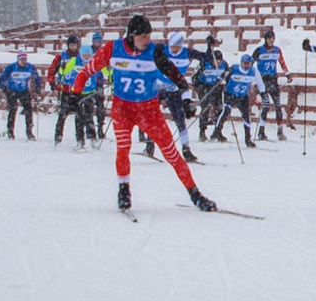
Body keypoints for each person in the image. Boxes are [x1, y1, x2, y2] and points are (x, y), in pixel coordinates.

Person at [68, 15, 214, 214]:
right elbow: (85, 72)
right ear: (132, 36)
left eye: (149, 36)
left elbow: (179, 79)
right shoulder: (113, 48)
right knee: (123, 148)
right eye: (143, 37)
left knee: (170, 152)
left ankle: (195, 194)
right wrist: (75, 94)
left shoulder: (154, 53)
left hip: (148, 111)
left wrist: (187, 99)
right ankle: (124, 190)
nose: (146, 41)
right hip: (122, 109)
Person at [162, 30, 201, 160]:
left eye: (177, 46)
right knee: (152, 118)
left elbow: (204, 57)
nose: (174, 49)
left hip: (176, 90)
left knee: (181, 121)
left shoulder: (186, 53)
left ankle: (186, 149)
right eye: (172, 46)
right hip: (159, 87)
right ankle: (149, 145)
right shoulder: (162, 51)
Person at [51, 34, 89, 149]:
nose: (73, 47)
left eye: (75, 45)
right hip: (66, 90)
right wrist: (52, 82)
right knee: (62, 116)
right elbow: (52, 69)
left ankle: (80, 140)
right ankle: (57, 138)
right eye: (71, 45)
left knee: (80, 117)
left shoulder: (80, 57)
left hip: (77, 90)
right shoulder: (61, 56)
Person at [224, 44, 262, 146]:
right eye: (244, 63)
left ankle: (248, 139)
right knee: (225, 112)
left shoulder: (253, 71)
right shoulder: (234, 69)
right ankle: (217, 132)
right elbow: (225, 77)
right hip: (231, 94)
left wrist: (262, 94)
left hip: (243, 96)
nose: (246, 66)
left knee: (246, 116)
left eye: (248, 64)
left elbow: (260, 83)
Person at [0, 45, 40, 139]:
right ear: (18, 60)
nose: (23, 61)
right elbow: (2, 78)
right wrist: (4, 88)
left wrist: (38, 88)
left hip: (24, 90)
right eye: (21, 59)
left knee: (28, 110)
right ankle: (10, 131)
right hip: (12, 90)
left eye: (25, 59)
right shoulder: (11, 67)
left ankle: (29, 132)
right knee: (13, 110)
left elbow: (37, 78)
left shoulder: (30, 67)